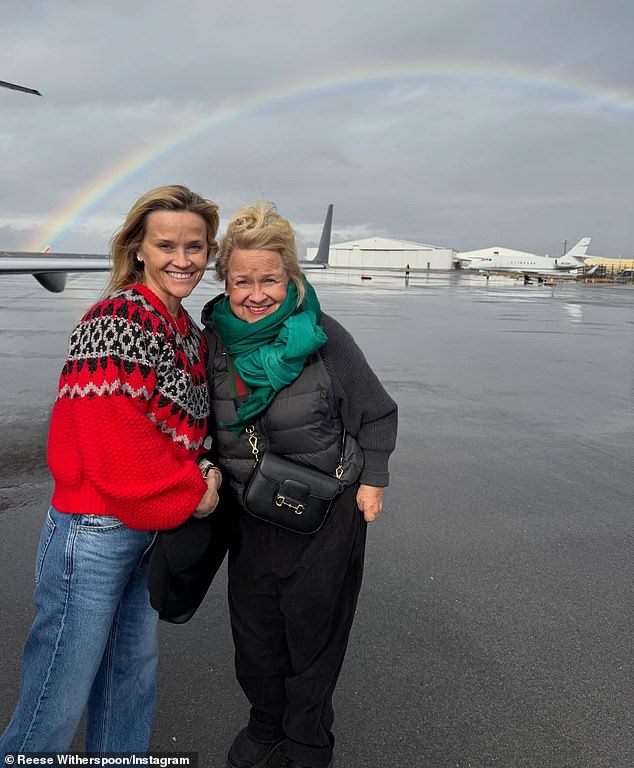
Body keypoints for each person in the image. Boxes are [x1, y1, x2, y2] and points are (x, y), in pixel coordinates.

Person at [0, 184, 222, 758]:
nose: (182, 259)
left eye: (195, 246)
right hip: (95, 532)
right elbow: (114, 451)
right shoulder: (115, 320)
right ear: (139, 248)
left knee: (131, 678)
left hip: (148, 530)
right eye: (167, 244)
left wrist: (198, 463)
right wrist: (197, 491)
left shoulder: (185, 332)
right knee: (58, 692)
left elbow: (188, 429)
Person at [201, 202, 398, 768]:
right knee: (255, 634)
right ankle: (266, 724)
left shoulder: (323, 337)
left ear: (292, 276)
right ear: (225, 280)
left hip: (327, 512)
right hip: (250, 511)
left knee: (314, 635)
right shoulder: (212, 341)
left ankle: (308, 740)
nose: (256, 293)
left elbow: (378, 413)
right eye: (243, 280)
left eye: (270, 278)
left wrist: (374, 481)